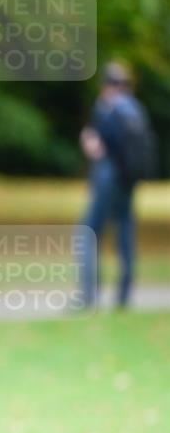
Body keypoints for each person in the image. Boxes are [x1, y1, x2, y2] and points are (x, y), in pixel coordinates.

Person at [78, 62, 154, 308]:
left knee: (87, 233)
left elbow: (99, 146)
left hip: (108, 177)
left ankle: (88, 295)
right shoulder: (136, 109)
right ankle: (123, 296)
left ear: (106, 86)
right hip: (129, 181)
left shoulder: (109, 108)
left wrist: (91, 141)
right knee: (124, 233)